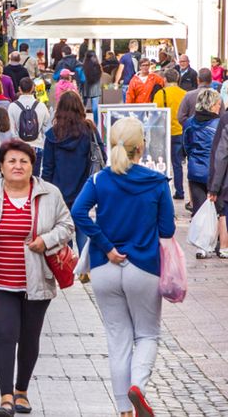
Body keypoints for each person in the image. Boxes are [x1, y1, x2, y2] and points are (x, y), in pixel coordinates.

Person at [72, 116, 175, 417]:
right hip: (143, 266)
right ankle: (138, 387)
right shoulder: (156, 183)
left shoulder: (99, 179)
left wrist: (105, 245)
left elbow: (79, 212)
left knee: (117, 338)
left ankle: (123, 411)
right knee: (147, 335)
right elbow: (167, 230)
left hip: (105, 266)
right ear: (141, 147)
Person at [0, 139, 74, 417]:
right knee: (6, 335)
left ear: (32, 166)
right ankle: (5, 397)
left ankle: (22, 392)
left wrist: (47, 240)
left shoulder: (49, 193)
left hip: (36, 281)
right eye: (11, 161)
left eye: (24, 161)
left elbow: (67, 225)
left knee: (29, 338)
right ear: (2, 167)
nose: (18, 166)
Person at [41, 91, 105, 254]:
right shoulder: (89, 130)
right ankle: (84, 268)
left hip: (59, 191)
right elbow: (102, 156)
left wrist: (45, 193)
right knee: (82, 228)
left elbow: (47, 168)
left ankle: (67, 269)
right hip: (85, 189)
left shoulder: (52, 135)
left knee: (63, 233)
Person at [183, 89, 224, 256]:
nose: (220, 107)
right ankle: (220, 243)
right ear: (213, 105)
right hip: (215, 172)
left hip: (195, 171)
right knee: (221, 209)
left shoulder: (190, 123)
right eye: (219, 105)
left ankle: (202, 246)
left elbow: (186, 145)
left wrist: (192, 158)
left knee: (199, 209)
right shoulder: (219, 124)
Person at [154, 68, 187, 200]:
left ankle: (162, 190)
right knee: (177, 163)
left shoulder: (160, 94)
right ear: (178, 79)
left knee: (162, 163)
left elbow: (155, 113)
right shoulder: (185, 94)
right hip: (180, 132)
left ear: (165, 79)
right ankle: (180, 191)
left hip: (164, 132)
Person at [8, 78, 50, 175]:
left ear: (19, 89)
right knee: (34, 180)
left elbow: (11, 130)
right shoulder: (41, 106)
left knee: (19, 179)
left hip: (19, 146)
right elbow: (47, 127)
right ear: (33, 88)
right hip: (37, 146)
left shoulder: (12, 106)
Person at [81, 51, 104, 123]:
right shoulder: (98, 66)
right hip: (96, 89)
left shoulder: (83, 66)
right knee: (95, 108)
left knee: (82, 107)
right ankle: (96, 124)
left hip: (85, 88)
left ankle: (81, 122)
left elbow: (82, 78)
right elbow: (100, 76)